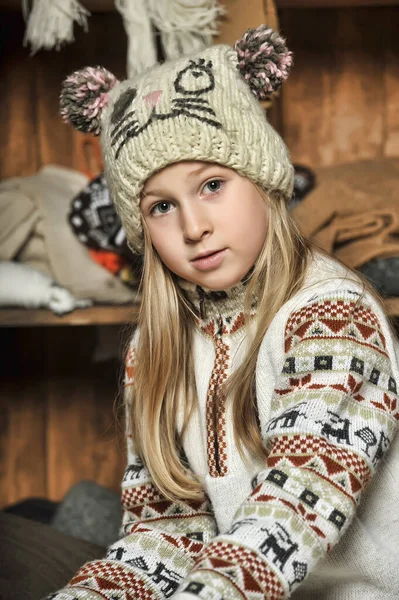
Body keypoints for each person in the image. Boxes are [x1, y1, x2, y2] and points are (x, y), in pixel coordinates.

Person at [53, 25, 399, 600]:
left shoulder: (333, 315)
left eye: (212, 184)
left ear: (262, 183)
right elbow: (164, 535)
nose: (193, 227)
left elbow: (291, 512)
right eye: (161, 206)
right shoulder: (155, 348)